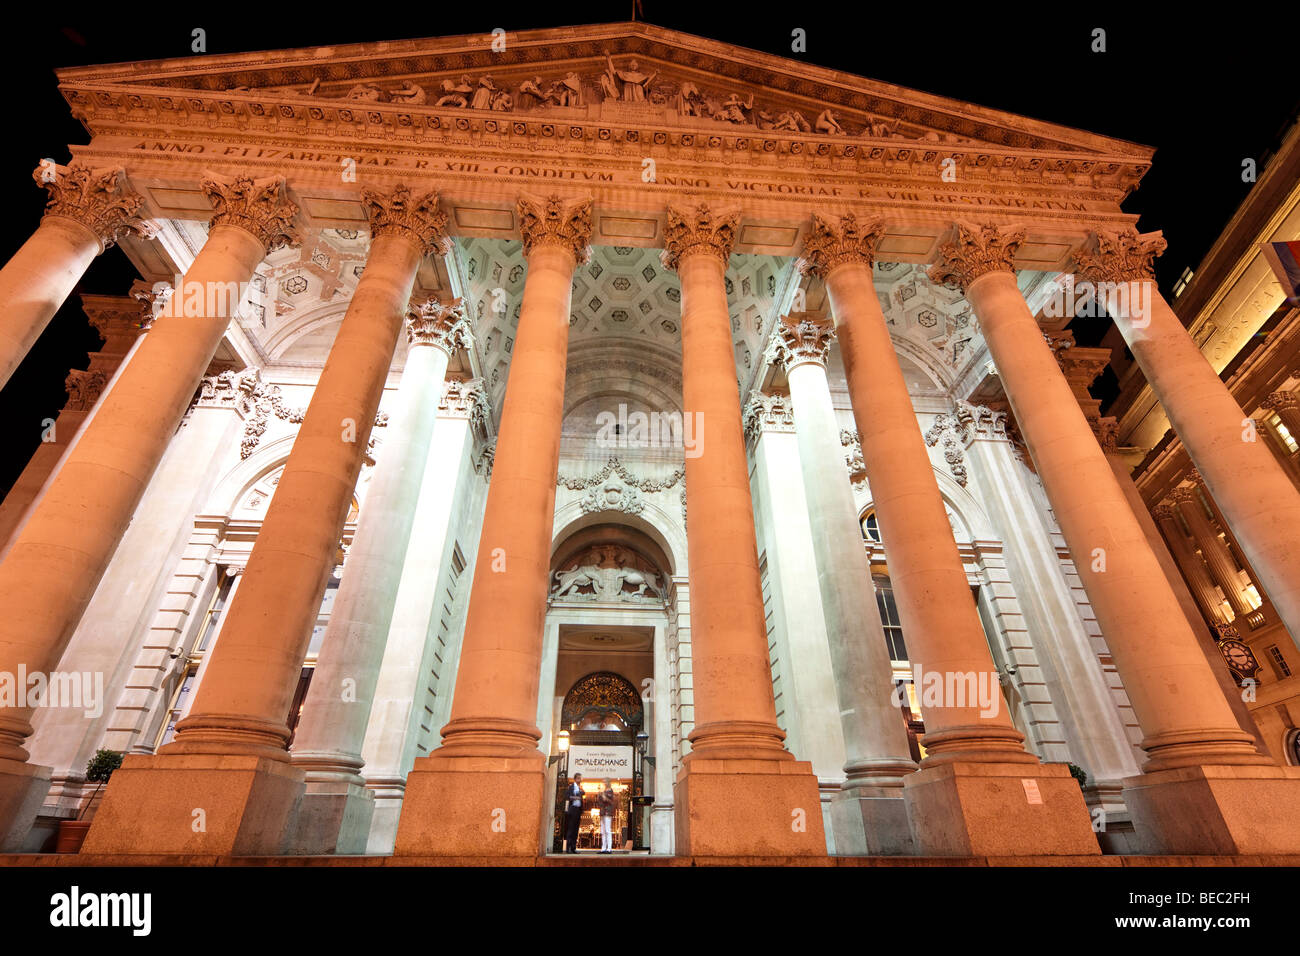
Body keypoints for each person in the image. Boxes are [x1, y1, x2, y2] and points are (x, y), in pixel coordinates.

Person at [563, 773, 584, 853]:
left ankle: (573, 848)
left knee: (576, 829)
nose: (580, 779)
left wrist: (581, 793)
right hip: (573, 809)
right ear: (575, 779)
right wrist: (576, 797)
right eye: (578, 778)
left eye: (580, 778)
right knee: (571, 828)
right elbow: (567, 796)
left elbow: (582, 795)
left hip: (578, 810)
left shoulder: (580, 788)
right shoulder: (571, 787)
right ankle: (568, 848)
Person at [597, 779, 616, 854]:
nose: (604, 783)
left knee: (607, 830)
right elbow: (600, 802)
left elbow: (607, 800)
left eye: (605, 782)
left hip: (607, 812)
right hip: (603, 812)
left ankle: (609, 848)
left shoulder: (610, 791)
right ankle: (603, 848)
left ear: (608, 782)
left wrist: (602, 795)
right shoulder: (604, 791)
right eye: (603, 782)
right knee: (603, 831)